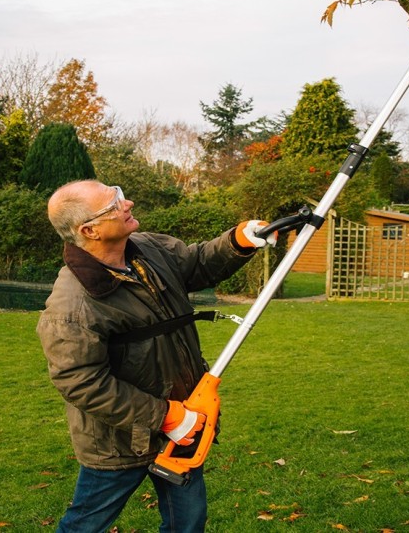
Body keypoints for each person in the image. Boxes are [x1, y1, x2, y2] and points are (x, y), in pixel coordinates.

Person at [37, 180, 276, 532]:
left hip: (185, 423)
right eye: (115, 204)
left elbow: (195, 264)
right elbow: (80, 381)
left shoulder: (147, 248)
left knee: (188, 524)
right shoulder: (72, 304)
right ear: (90, 230)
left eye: (118, 193)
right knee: (84, 525)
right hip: (119, 442)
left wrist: (238, 240)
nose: (128, 202)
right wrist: (166, 416)